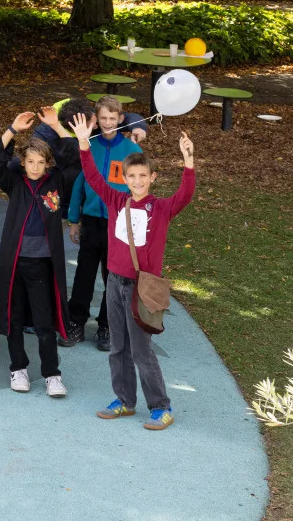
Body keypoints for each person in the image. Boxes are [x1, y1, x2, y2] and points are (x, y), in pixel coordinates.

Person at [75, 117, 197, 432]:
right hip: (114, 283)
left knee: (141, 350)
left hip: (141, 289)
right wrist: (84, 144)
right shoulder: (116, 200)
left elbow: (184, 195)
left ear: (152, 177)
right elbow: (93, 177)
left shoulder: (161, 208)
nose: (138, 181)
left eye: (143, 176)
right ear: (124, 177)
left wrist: (188, 163)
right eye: (132, 176)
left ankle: (161, 407)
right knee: (118, 346)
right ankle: (125, 400)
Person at [0, 108, 80, 397]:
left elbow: (76, 158)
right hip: (14, 263)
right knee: (14, 319)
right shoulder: (14, 182)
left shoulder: (56, 182)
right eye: (30, 161)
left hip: (42, 265)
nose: (35, 167)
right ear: (23, 162)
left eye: (41, 162)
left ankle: (52, 374)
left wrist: (56, 126)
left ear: (48, 164)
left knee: (44, 322)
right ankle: (18, 368)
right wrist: (12, 129)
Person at [66, 95, 142, 351]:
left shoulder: (132, 150)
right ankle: (75, 322)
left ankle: (107, 325)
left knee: (114, 278)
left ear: (121, 119)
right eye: (103, 118)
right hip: (91, 222)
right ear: (96, 120)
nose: (108, 122)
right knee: (84, 274)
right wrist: (73, 220)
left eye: (112, 118)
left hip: (119, 224)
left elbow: (139, 189)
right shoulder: (89, 146)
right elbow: (79, 184)